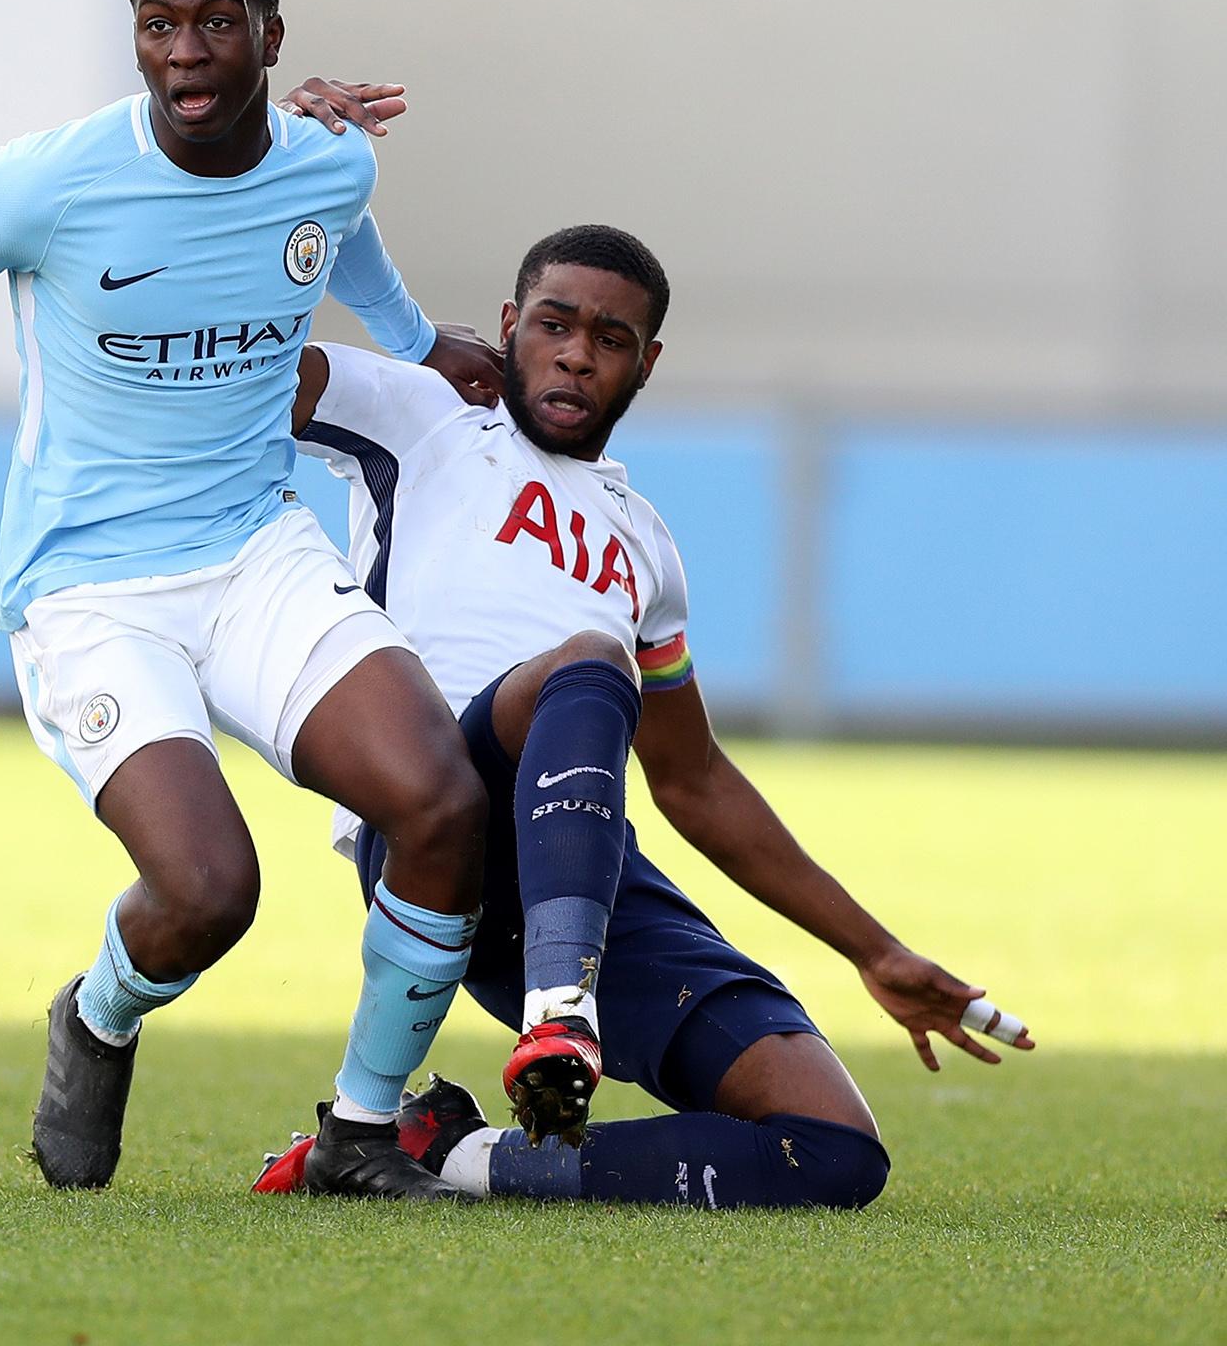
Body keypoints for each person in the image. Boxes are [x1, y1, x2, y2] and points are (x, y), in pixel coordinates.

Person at [0, 0, 506, 1200]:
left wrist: (421, 344)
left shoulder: (329, 161)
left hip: (257, 553)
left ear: (271, 34)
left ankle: (360, 1132)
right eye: (159, 26)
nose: (186, 53)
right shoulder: (58, 181)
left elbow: (336, 237)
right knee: (209, 892)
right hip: (90, 591)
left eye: (216, 24)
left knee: (442, 801)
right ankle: (97, 1016)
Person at [254, 223, 1034, 1207]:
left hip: (586, 864)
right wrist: (293, 209)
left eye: (610, 339)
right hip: (437, 821)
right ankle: (559, 1008)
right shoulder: (426, 415)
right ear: (508, 326)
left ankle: (452, 1152)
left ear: (645, 364)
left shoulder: (647, 548)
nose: (577, 354)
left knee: (834, 1152)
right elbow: (236, 368)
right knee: (589, 660)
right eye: (553, 325)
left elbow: (694, 780)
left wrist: (874, 950)